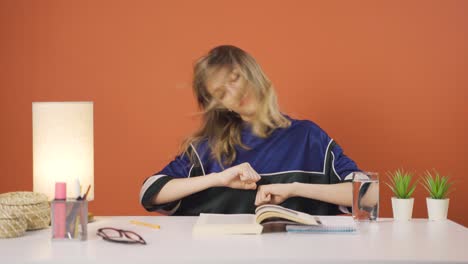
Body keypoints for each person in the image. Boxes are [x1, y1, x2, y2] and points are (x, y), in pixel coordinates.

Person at [140, 45, 360, 216]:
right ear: (221, 105)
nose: (234, 93)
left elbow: (367, 196)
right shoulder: (210, 146)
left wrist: (295, 188)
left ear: (252, 71)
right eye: (221, 93)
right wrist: (218, 179)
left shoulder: (309, 137)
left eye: (235, 78)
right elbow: (149, 191)